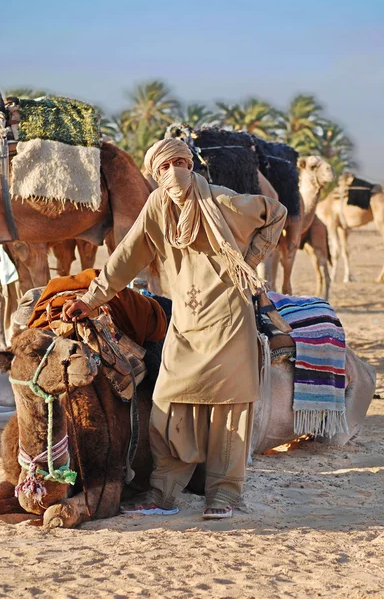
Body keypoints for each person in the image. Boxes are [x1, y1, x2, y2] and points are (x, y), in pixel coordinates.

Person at [62, 138, 287, 519]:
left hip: (230, 320)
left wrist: (247, 262)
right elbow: (126, 256)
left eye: (180, 162)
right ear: (155, 174)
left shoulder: (223, 202)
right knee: (169, 404)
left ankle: (223, 494)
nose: (174, 172)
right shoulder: (157, 209)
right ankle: (163, 491)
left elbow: (276, 212)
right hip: (185, 320)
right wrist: (92, 299)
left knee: (227, 409)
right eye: (164, 168)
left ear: (191, 165)